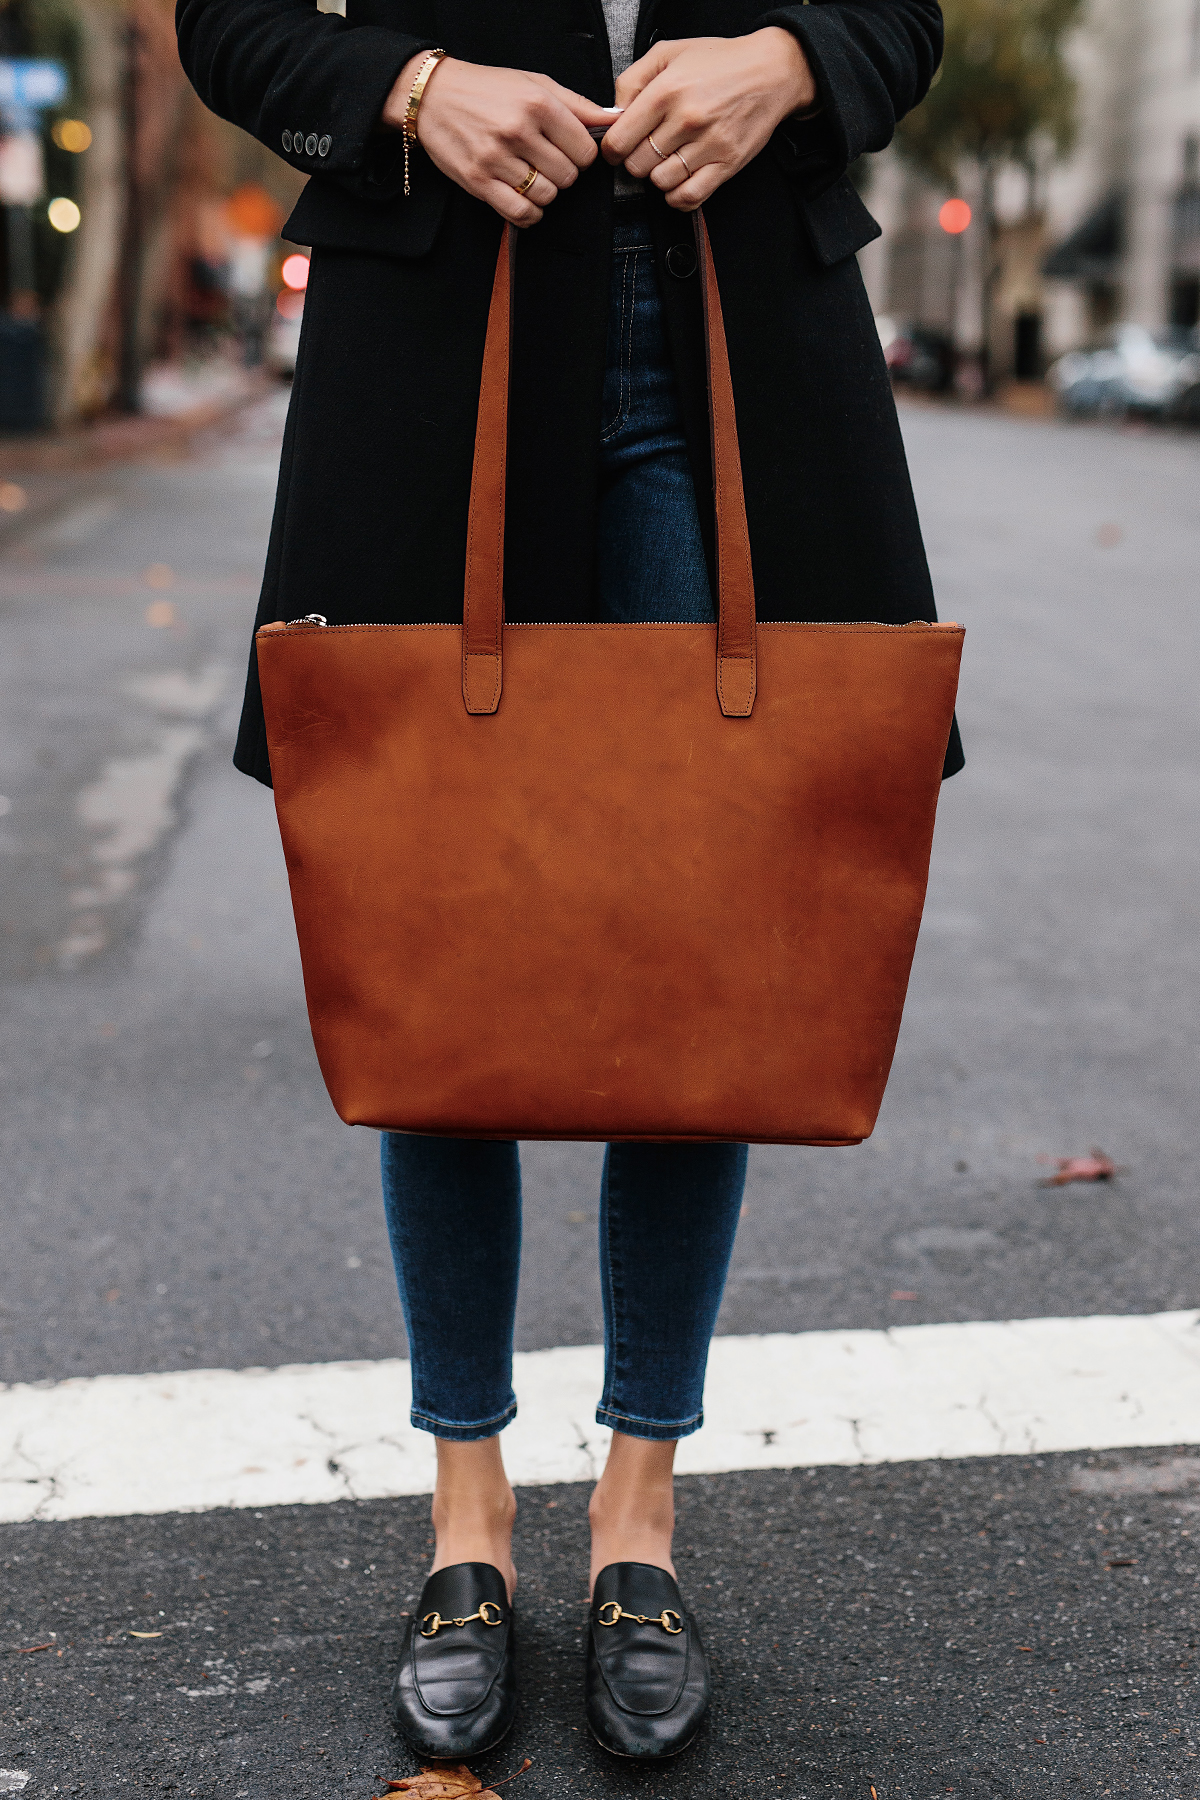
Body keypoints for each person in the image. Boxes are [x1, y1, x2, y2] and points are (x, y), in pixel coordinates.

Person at [177, 0, 957, 1765]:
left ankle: (637, 1524)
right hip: (443, 326)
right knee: (444, 928)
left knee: (704, 949)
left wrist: (795, 64)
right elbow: (221, 21)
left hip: (735, 335)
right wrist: (410, 86)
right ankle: (468, 1527)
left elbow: (901, 18)